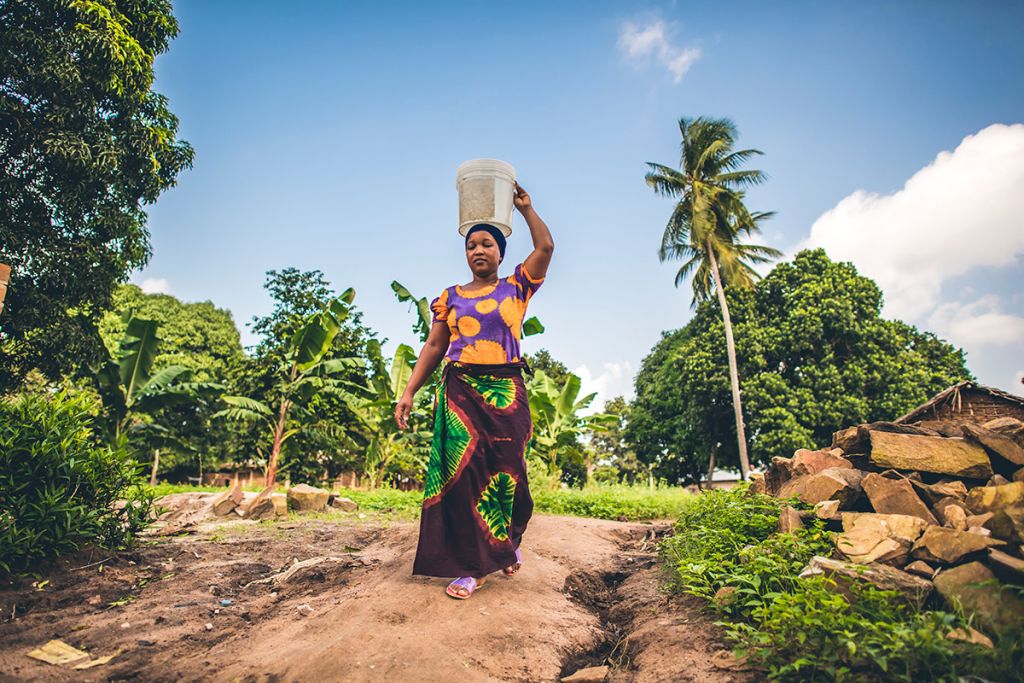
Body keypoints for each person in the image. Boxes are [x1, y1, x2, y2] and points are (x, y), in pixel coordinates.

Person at [394, 181, 554, 599]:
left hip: (507, 392)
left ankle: (505, 544)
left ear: (501, 253)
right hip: (460, 392)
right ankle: (474, 566)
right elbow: (433, 346)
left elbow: (547, 248)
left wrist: (526, 210)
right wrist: (409, 391)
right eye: (472, 245)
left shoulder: (517, 287)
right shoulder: (450, 298)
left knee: (509, 474)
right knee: (465, 479)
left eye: (487, 244)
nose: (479, 251)